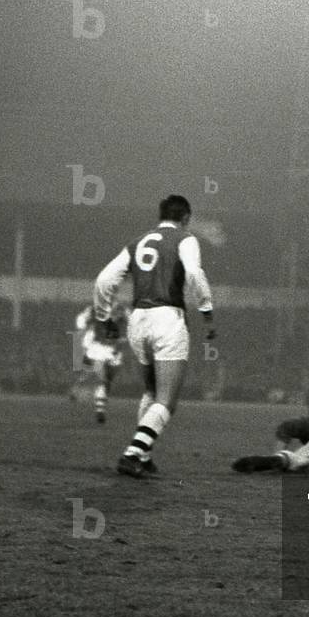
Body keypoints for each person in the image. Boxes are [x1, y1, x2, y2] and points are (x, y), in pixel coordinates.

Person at [94, 194, 215, 478]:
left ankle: (144, 456)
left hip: (138, 320)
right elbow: (195, 274)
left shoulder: (137, 242)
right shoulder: (185, 239)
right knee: (166, 400)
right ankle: (133, 452)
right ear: (186, 218)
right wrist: (207, 311)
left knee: (150, 391)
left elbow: (104, 280)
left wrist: (103, 317)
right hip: (167, 319)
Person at [71, 304, 128, 424]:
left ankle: (77, 389)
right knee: (101, 378)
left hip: (112, 352)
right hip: (98, 349)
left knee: (102, 379)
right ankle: (100, 411)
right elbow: (81, 322)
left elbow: (127, 330)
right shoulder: (95, 313)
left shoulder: (123, 316)